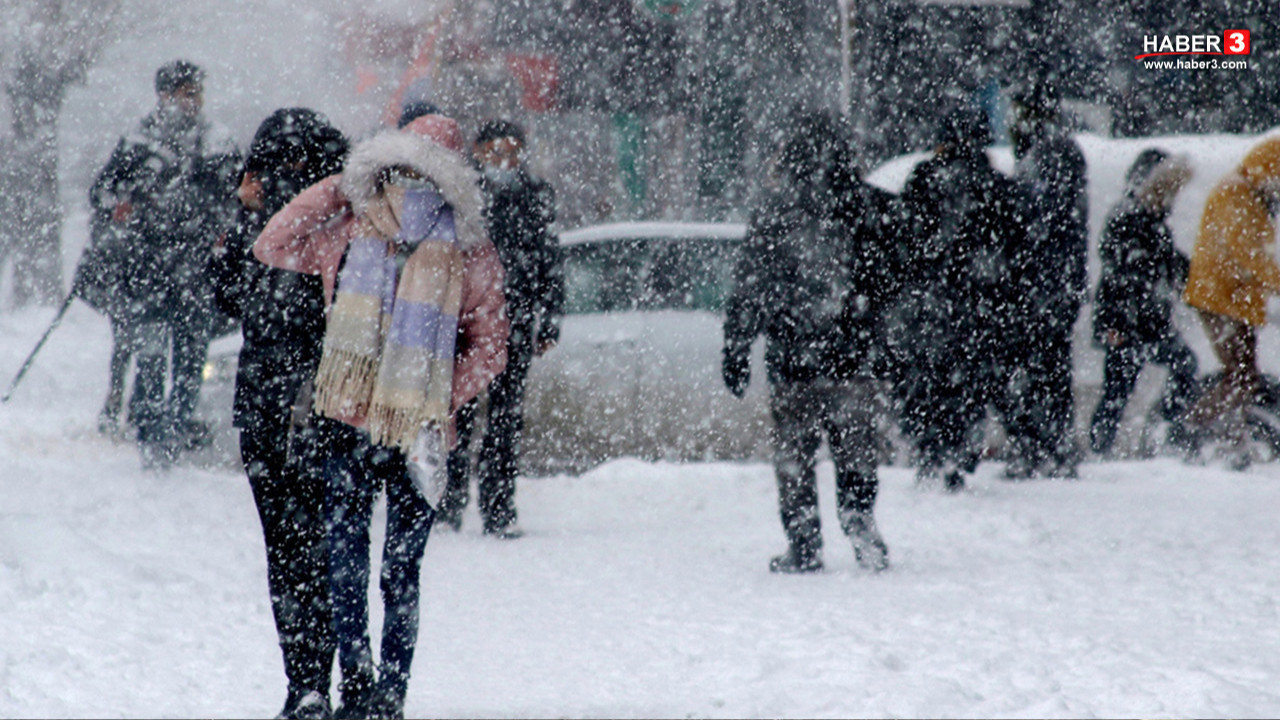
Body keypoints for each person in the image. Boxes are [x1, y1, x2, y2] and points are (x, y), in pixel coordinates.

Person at [255, 113, 509, 718]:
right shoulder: (384, 234)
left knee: (356, 560)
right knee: (393, 568)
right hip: (393, 430)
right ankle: (383, 691)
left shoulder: (360, 230)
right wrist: (436, 398)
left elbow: (273, 240)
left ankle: (366, 686)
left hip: (373, 425)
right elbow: (492, 347)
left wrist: (342, 188)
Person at [209, 108, 348, 719]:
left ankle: (326, 677)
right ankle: (307, 681)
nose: (283, 176)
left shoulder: (339, 222)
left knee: (318, 549)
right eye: (273, 164)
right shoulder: (258, 227)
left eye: (294, 162)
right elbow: (220, 294)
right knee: (290, 552)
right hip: (269, 408)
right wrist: (241, 213)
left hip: (322, 404)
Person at [722, 112, 894, 574]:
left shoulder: (775, 211)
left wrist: (737, 347)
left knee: (794, 458)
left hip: (794, 357)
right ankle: (860, 522)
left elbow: (749, 286)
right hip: (854, 358)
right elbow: (895, 283)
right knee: (856, 452)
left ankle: (803, 543)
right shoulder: (870, 207)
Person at [88, 59, 240, 466]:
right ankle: (153, 438)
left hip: (195, 272)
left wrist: (224, 227)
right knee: (153, 360)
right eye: (187, 93)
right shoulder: (138, 142)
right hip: (147, 271)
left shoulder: (217, 141)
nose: (194, 101)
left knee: (191, 362)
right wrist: (119, 204)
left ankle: (173, 435)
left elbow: (236, 198)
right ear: (166, 96)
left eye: (197, 93)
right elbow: (101, 192)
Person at [890, 107, 1025, 491]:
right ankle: (960, 455)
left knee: (927, 382)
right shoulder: (996, 185)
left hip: (930, 305)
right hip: (981, 306)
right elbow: (1015, 249)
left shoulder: (923, 179)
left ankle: (930, 452)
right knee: (971, 386)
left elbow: (903, 239)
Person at [440, 119, 563, 537]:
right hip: (468, 325)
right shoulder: (462, 197)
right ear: (478, 152)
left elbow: (550, 259)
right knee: (459, 415)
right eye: (496, 152)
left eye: (513, 152)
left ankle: (499, 509)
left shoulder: (535, 196)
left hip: (516, 321)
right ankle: (449, 503)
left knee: (506, 422)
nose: (505, 161)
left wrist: (549, 319)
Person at [1088, 149, 1197, 457]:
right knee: (1118, 391)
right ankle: (1106, 447)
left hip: (1147, 323)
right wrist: (1116, 325)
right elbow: (1122, 275)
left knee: (1176, 367)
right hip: (1126, 323)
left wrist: (1196, 276)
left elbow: (1169, 265)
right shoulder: (1129, 218)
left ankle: (1162, 430)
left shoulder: (1151, 220)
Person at [1005, 83, 1089, 479]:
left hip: (1044, 283)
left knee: (1043, 367)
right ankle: (1048, 447)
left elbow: (1041, 217)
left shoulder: (1051, 153)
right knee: (1048, 367)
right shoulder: (1057, 150)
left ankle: (1044, 449)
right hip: (1052, 282)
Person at [1181, 136, 1280, 468]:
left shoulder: (1252, 196)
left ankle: (1231, 441)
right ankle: (1190, 430)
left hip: (1236, 300)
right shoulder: (1235, 193)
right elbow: (1252, 254)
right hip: (1219, 299)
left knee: (1243, 378)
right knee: (1241, 379)